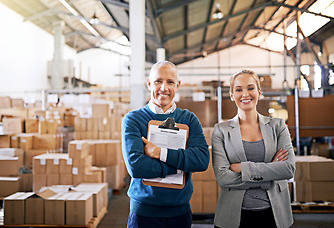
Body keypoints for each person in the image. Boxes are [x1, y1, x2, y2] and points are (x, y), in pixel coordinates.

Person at [122, 61, 209, 228]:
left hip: (180, 213)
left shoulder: (189, 120)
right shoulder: (133, 120)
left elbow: (202, 160)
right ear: (149, 84)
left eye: (170, 82)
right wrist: (181, 165)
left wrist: (159, 153)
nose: (164, 88)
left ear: (177, 85)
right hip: (144, 213)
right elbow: (136, 166)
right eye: (158, 81)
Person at [211, 69, 295, 228]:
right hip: (233, 217)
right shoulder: (221, 130)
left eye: (250, 88)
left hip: (274, 215)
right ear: (231, 95)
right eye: (238, 89)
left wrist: (243, 168)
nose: (245, 94)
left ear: (259, 92)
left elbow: (288, 169)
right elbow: (223, 177)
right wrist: (269, 174)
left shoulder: (278, 127)